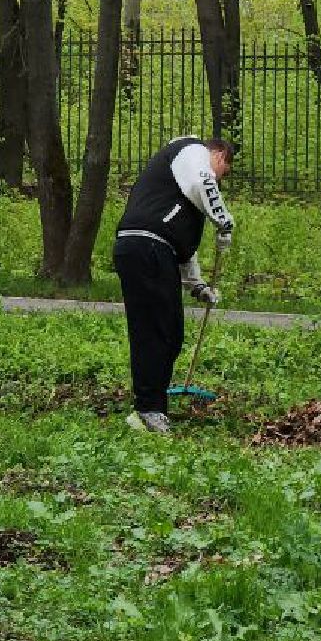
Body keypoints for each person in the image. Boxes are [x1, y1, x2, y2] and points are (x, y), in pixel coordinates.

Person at [112, 136, 237, 434]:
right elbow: (202, 183)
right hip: (146, 247)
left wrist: (197, 285)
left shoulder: (178, 185)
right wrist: (224, 220)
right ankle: (147, 411)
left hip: (151, 249)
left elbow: (181, 247)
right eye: (225, 171)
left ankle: (151, 407)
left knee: (168, 332)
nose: (220, 180)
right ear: (218, 155)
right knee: (156, 332)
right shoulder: (192, 152)